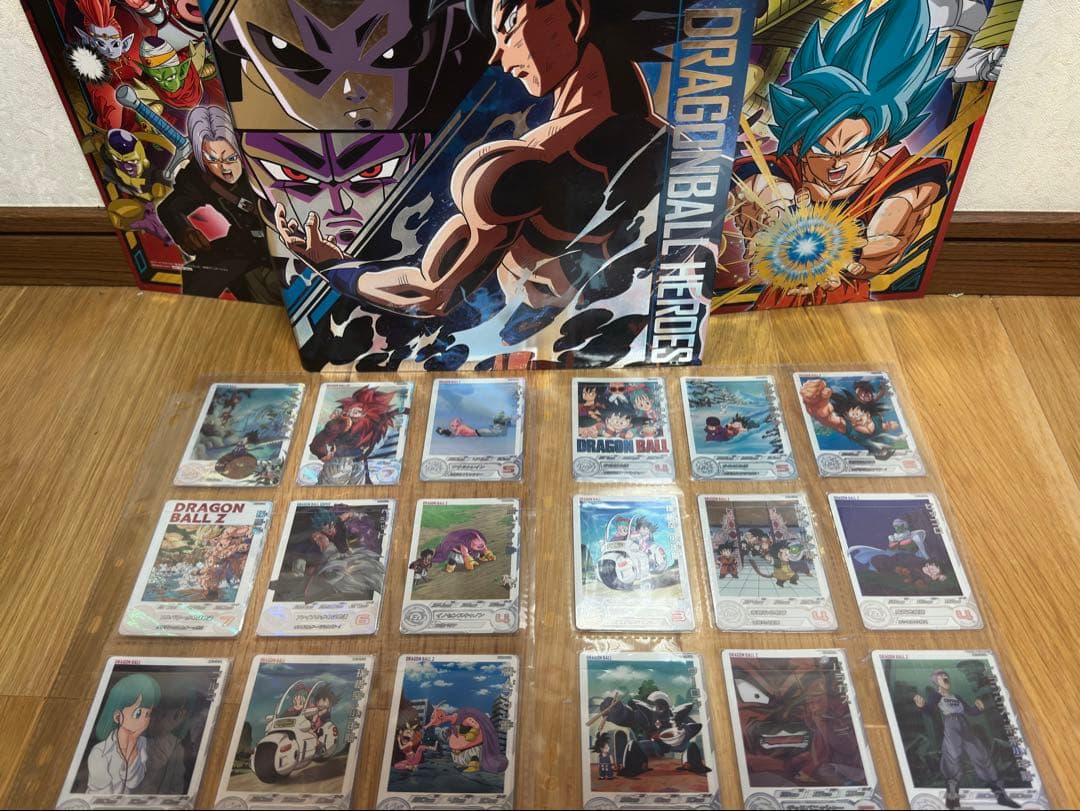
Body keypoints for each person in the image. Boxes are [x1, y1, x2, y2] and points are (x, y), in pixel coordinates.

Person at [276, 0, 677, 341]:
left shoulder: (519, 168)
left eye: (508, 25)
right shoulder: (681, 152)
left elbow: (430, 295)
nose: (497, 55)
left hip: (539, 349)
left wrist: (333, 266)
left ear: (573, 13)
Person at [157, 104, 279, 302]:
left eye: (231, 158)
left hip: (287, 243)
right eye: (213, 160)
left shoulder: (266, 159)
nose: (225, 169)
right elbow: (170, 208)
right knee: (198, 279)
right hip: (244, 247)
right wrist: (184, 231)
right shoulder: (201, 177)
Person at [914, 670, 1021, 810]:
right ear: (936, 681)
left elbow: (970, 711)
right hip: (951, 724)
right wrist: (922, 706)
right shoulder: (935, 695)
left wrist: (978, 708)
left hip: (964, 724)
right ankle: (952, 800)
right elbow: (929, 710)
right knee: (953, 756)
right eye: (941, 677)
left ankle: (1000, 795)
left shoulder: (956, 696)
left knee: (981, 755)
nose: (945, 678)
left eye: (946, 676)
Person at [86, 673, 161, 794]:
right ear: (118, 716)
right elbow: (103, 795)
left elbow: (134, 782)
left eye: (148, 714)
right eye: (138, 713)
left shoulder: (141, 743)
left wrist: (132, 743)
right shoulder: (99, 752)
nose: (144, 720)